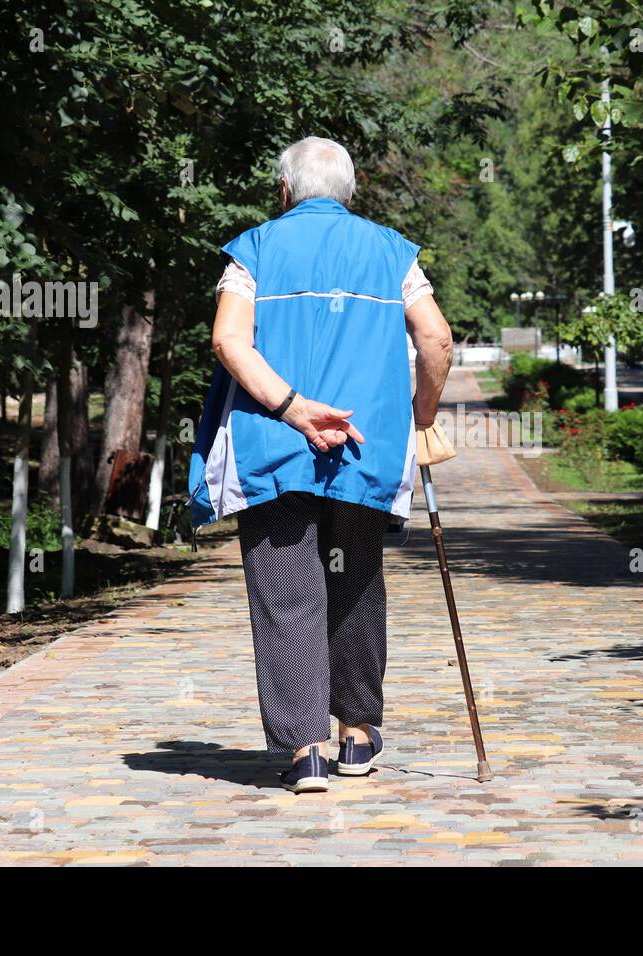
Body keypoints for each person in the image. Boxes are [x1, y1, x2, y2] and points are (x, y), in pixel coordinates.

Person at [188, 136, 454, 793]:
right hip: (365, 446)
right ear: (351, 192)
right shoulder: (393, 253)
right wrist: (420, 413)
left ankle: (305, 750)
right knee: (356, 582)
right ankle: (358, 737)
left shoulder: (253, 250)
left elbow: (227, 339)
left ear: (284, 191)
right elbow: (436, 338)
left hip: (273, 445)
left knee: (287, 597)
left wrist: (292, 408)